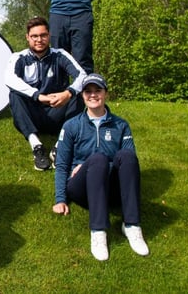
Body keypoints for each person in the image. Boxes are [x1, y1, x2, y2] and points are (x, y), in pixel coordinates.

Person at [52, 73, 150, 261]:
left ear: (105, 93)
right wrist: (60, 199)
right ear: (82, 96)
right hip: (82, 188)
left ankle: (132, 225)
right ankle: (98, 232)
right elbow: (62, 165)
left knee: (126, 156)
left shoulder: (120, 125)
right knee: (97, 159)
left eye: (98, 90)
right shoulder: (71, 125)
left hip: (110, 186)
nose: (93, 95)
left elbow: (129, 165)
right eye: (88, 91)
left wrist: (99, 165)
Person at [5, 16, 87, 171]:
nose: (39, 40)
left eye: (43, 35)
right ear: (27, 38)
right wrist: (37, 95)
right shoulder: (19, 57)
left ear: (49, 36)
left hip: (57, 110)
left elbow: (82, 76)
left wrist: (67, 93)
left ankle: (59, 147)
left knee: (78, 95)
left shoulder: (60, 54)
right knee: (14, 95)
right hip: (32, 114)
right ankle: (37, 147)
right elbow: (9, 79)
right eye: (34, 36)